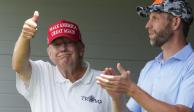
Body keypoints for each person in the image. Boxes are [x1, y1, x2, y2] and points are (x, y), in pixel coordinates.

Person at [96, 0, 194, 112]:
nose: (147, 25)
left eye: (155, 18)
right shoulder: (150, 67)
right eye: (149, 18)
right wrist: (117, 98)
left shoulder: (191, 64)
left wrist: (131, 89)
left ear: (175, 22)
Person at [12, 11, 112, 112]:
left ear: (81, 49)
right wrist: (25, 36)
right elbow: (19, 66)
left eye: (69, 42)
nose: (63, 48)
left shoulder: (104, 82)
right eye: (57, 44)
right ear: (49, 53)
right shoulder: (41, 73)